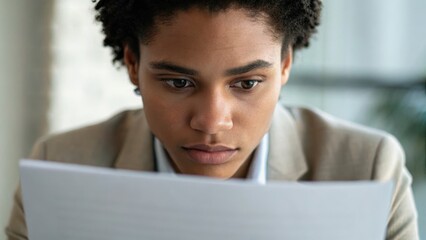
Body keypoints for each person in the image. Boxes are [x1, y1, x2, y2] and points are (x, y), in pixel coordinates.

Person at [6, 0, 419, 239]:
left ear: (286, 65)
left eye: (247, 83)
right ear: (133, 65)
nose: (211, 122)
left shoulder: (368, 168)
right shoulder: (62, 165)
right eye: (179, 81)